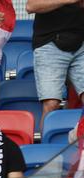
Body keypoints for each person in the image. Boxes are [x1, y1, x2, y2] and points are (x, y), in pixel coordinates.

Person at [27, 0, 84, 130]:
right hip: (49, 44)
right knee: (51, 103)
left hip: (80, 44)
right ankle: (45, 149)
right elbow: (31, 6)